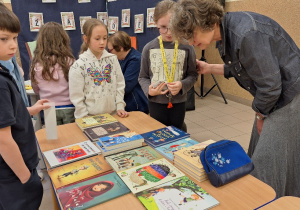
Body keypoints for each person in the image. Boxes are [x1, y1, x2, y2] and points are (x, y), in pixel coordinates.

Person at [170, 0, 300, 197]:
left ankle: (271, 201)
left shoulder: (246, 34)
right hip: (275, 96)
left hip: (289, 96)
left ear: (207, 22)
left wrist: (260, 115)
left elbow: (271, 87)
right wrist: (210, 68)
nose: (190, 42)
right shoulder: (226, 32)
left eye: (191, 34)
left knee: (267, 165)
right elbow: (245, 69)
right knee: (258, 154)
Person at [0, 3, 48, 209]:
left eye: (14, 38)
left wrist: (30, 110)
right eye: (3, 39)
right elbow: (3, 140)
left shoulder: (4, 71)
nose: (12, 45)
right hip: (14, 176)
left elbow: (8, 116)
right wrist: (26, 178)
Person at [138, 0, 198, 131]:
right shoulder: (149, 48)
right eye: (163, 27)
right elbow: (142, 77)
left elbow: (193, 75)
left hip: (179, 102)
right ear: (156, 24)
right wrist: (149, 91)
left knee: (178, 131)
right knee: (158, 133)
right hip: (156, 102)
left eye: (173, 26)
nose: (169, 32)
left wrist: (182, 85)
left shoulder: (187, 47)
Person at [69, 18, 128, 119]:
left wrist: (120, 106)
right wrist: (84, 117)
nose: (102, 42)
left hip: (114, 115)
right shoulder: (79, 66)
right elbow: (77, 97)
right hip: (89, 118)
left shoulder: (112, 59)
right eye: (97, 39)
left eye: (105, 38)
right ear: (86, 39)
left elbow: (120, 84)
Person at [30, 22, 76, 125]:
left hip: (48, 107)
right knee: (71, 137)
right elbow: (77, 85)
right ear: (63, 39)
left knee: (53, 138)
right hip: (69, 106)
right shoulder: (70, 61)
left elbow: (35, 89)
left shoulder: (37, 64)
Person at [107, 31, 148, 113]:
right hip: (126, 105)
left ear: (121, 48)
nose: (109, 53)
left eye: (110, 50)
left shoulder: (136, 60)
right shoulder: (121, 59)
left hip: (136, 107)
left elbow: (125, 86)